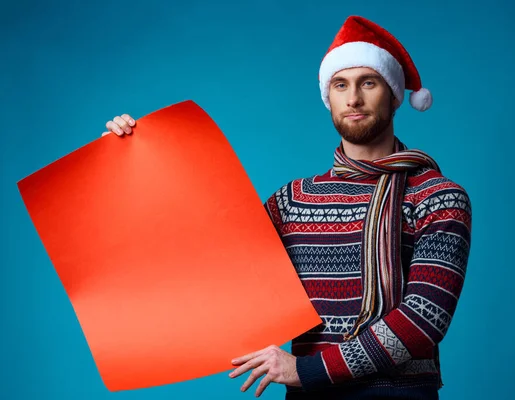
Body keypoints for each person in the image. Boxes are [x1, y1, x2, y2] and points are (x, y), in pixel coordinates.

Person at [102, 15, 472, 400]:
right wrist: (129, 161)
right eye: (340, 85)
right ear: (328, 97)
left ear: (394, 95)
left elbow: (423, 318)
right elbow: (209, 265)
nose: (354, 98)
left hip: (399, 394)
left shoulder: (437, 196)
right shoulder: (291, 201)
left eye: (369, 82)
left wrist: (306, 370)